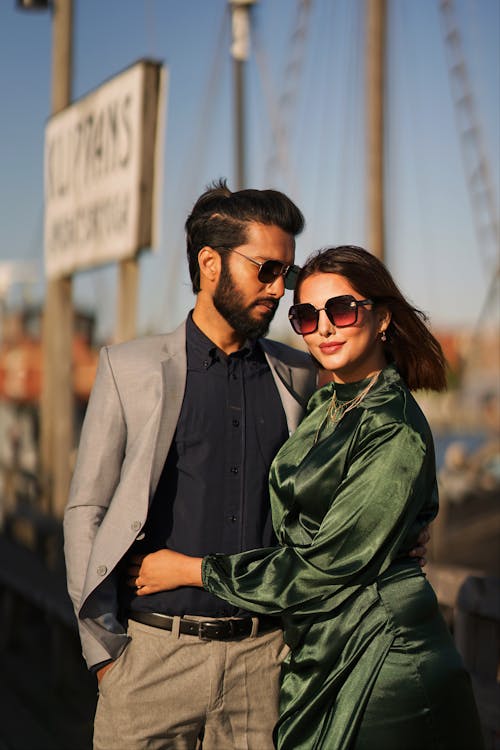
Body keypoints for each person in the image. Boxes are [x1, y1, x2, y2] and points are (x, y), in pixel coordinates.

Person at [64, 181, 428, 750]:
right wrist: (104, 655)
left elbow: (357, 469)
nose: (280, 290)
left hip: (267, 666)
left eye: (285, 273)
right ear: (210, 264)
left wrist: (400, 533)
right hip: (152, 661)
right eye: (266, 270)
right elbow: (87, 508)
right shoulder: (126, 368)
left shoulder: (301, 376)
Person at [129, 245, 484, 750]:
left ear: (382, 318)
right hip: (320, 648)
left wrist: (190, 570)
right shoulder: (325, 404)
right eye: (306, 315)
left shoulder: (392, 428)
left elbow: (325, 565)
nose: (325, 328)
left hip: (383, 657)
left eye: (342, 309)